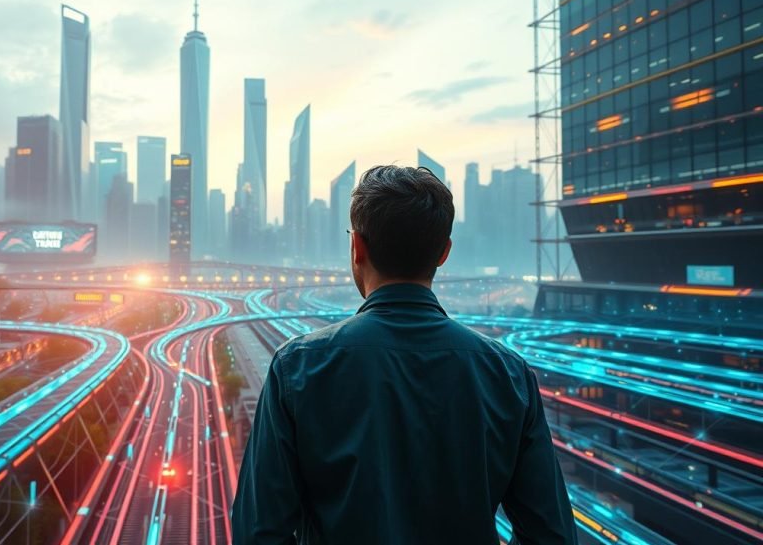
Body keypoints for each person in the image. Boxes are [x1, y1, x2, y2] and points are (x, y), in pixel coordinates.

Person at [232, 165, 577, 544]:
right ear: (444, 252)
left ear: (357, 247)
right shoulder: (508, 374)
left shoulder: (298, 368)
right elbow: (552, 535)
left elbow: (259, 532)